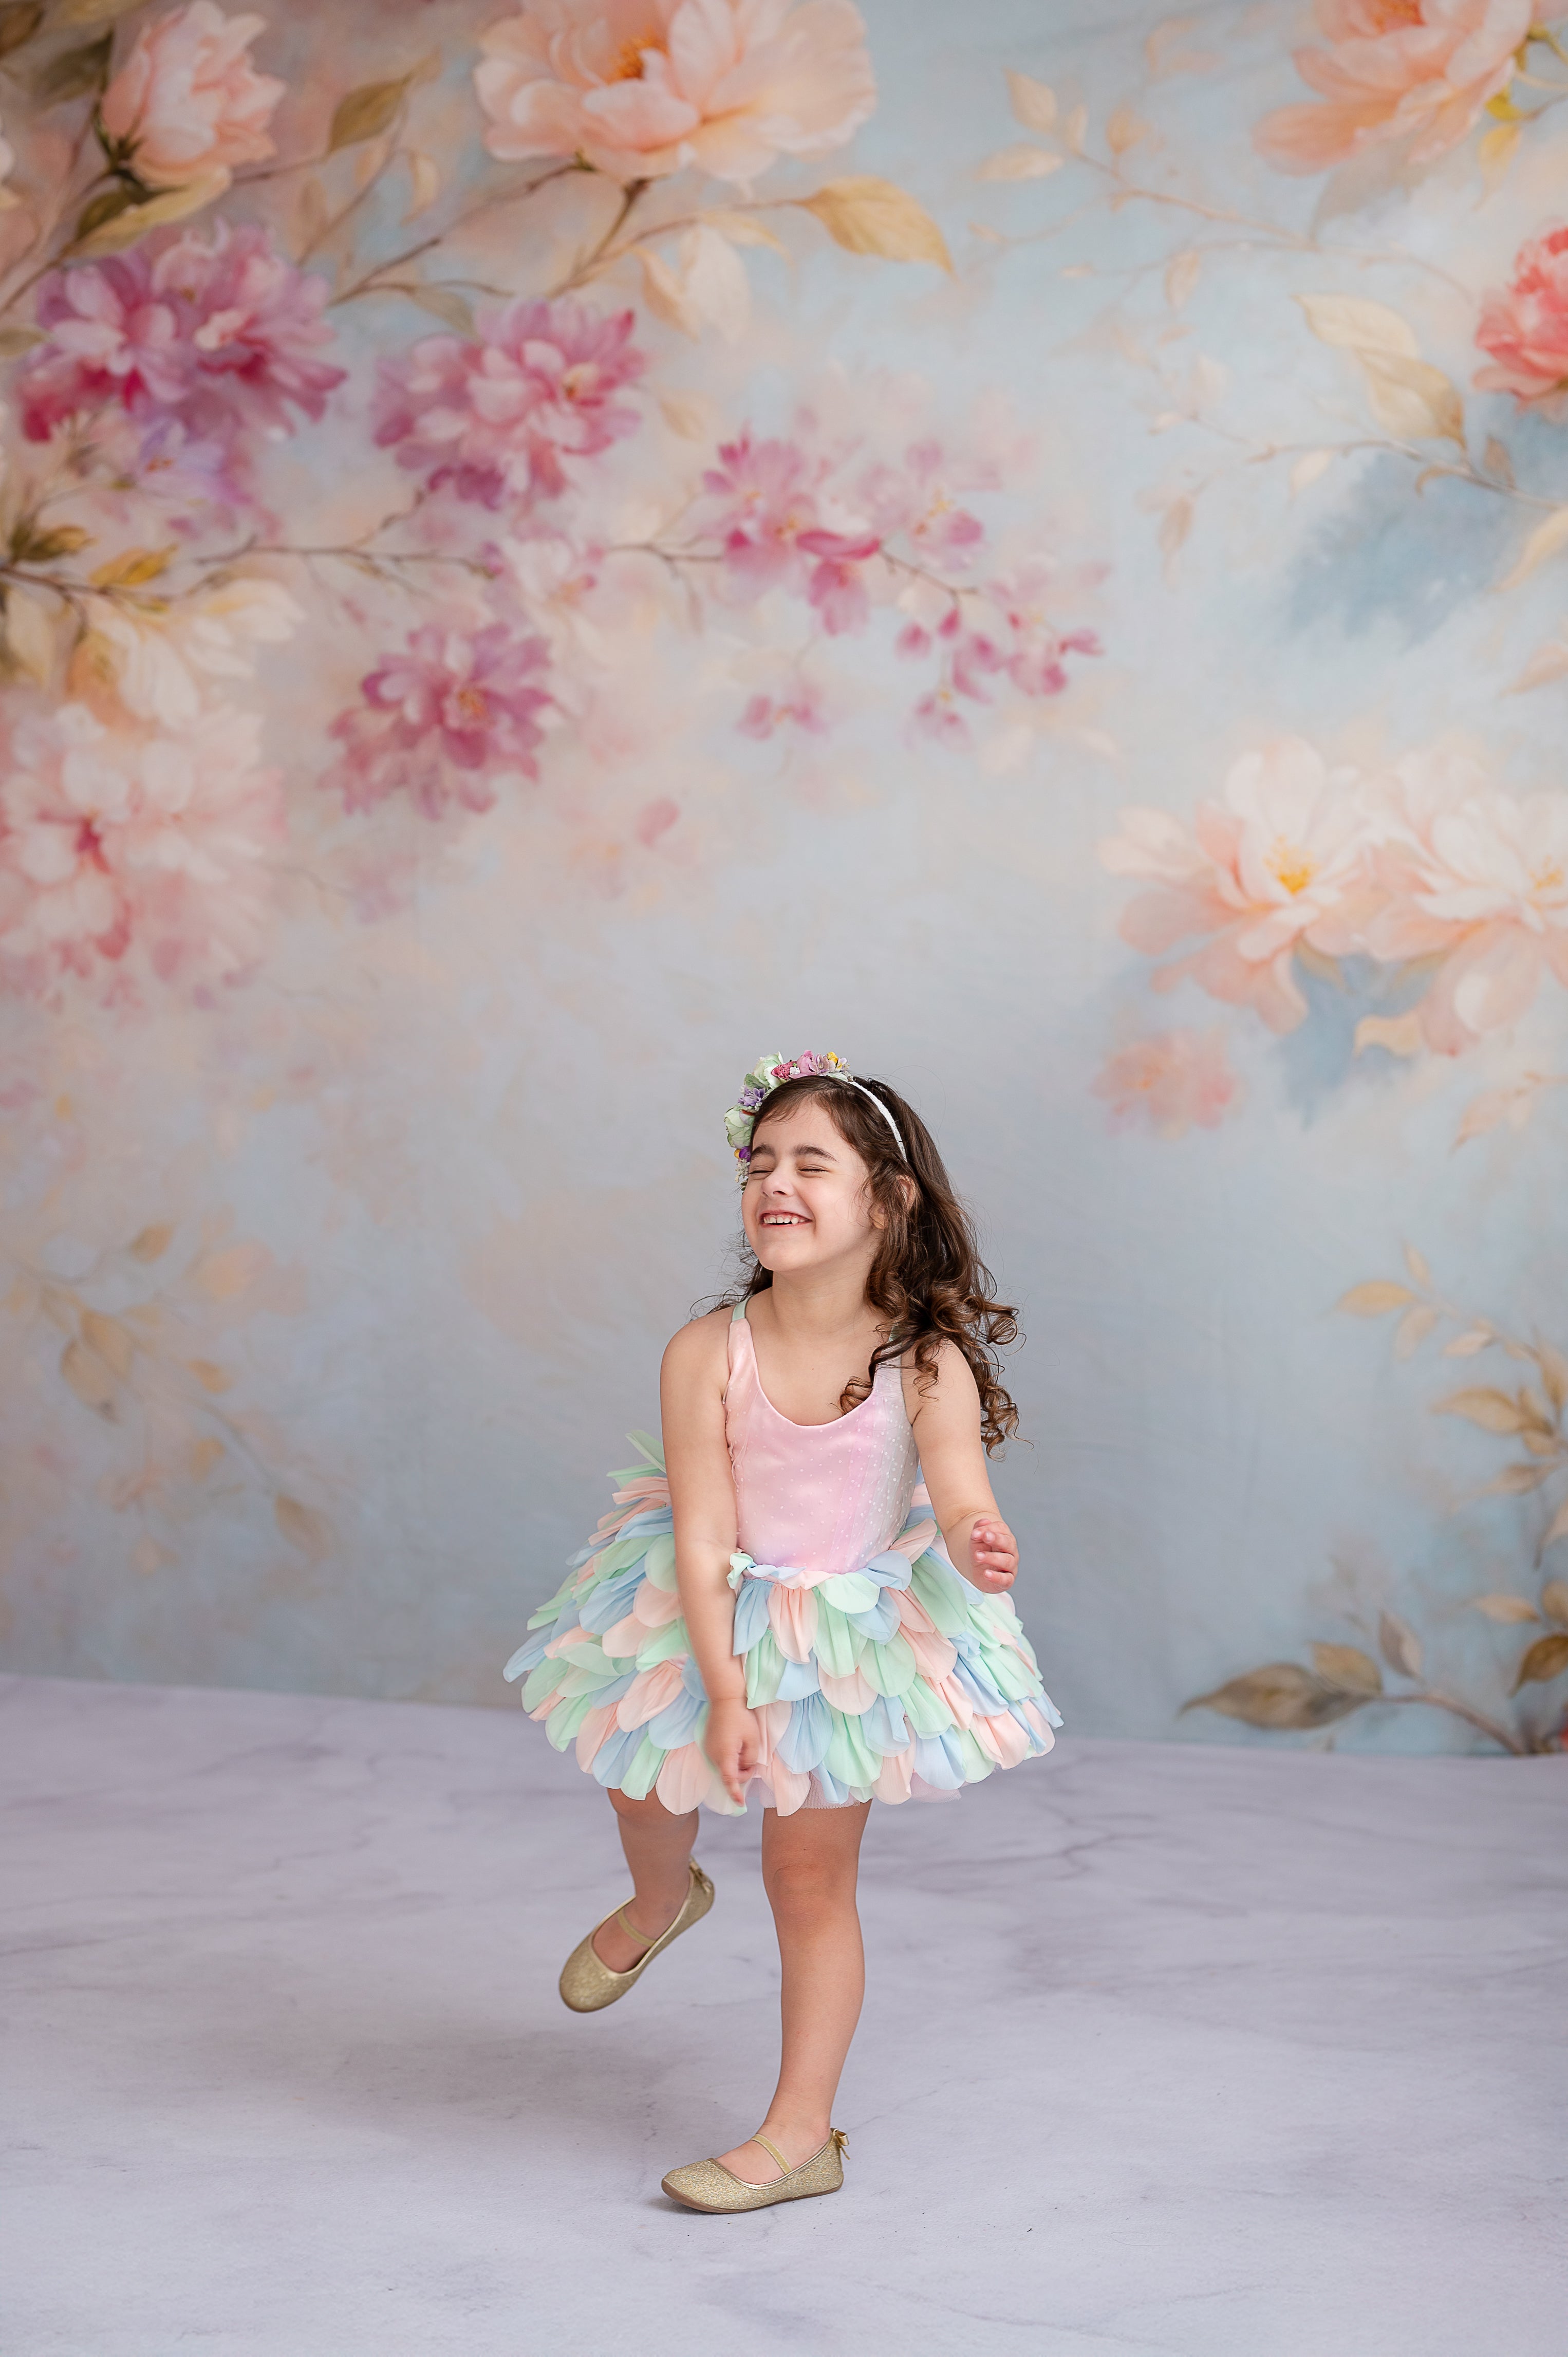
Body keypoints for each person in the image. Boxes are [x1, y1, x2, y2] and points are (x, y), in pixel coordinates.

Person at [505, 1051, 1060, 2212]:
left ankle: (798, 2130)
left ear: (887, 1199)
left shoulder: (923, 1360)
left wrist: (976, 1538)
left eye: (812, 1162)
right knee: (641, 1789)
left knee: (806, 1877)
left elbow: (956, 1485)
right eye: (758, 1162)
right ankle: (662, 1899)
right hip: (702, 1605)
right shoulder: (708, 1349)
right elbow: (702, 1530)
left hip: (836, 1635)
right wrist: (718, 1686)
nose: (774, 1183)